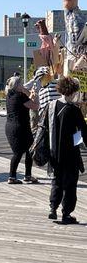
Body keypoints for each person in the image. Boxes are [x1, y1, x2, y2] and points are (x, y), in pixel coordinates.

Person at [46, 76, 87, 224]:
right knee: (70, 183)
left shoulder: (52, 105)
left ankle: (52, 208)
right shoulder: (74, 110)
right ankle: (66, 213)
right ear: (73, 92)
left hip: (54, 151)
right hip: (71, 153)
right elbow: (83, 131)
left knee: (56, 180)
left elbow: (45, 127)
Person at [5, 75, 39, 184]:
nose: (23, 85)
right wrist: (34, 95)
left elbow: (28, 100)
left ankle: (20, 176)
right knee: (22, 152)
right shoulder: (20, 96)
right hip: (20, 127)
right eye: (21, 84)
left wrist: (28, 93)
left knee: (24, 151)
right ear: (17, 85)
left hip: (11, 126)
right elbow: (35, 106)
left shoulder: (9, 95)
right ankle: (14, 177)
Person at [62, 0, 87, 71]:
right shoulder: (69, 16)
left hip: (77, 64)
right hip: (70, 60)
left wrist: (81, 60)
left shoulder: (77, 18)